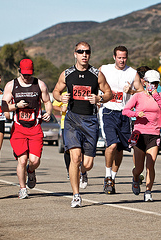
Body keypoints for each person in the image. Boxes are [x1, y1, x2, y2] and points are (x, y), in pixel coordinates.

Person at [52, 41, 113, 207]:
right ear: (75, 54)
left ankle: (83, 173)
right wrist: (60, 98)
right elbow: (56, 91)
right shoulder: (67, 74)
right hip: (72, 120)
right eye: (81, 52)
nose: (84, 55)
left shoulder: (96, 74)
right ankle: (76, 195)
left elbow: (109, 93)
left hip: (90, 121)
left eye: (87, 52)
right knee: (75, 157)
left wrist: (99, 98)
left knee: (87, 163)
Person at [2, 58, 53, 199]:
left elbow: (47, 102)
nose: (26, 77)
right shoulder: (11, 85)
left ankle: (31, 171)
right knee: (22, 160)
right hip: (18, 128)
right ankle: (23, 189)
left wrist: (48, 113)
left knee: (34, 161)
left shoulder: (39, 85)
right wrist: (17, 106)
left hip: (35, 127)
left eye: (29, 74)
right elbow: (4, 107)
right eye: (24, 74)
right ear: (19, 71)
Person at [99, 45, 143, 194]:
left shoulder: (132, 73)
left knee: (120, 148)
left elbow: (141, 92)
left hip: (125, 114)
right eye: (119, 57)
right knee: (112, 145)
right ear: (114, 57)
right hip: (109, 111)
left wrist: (131, 91)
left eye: (124, 57)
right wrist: (98, 97)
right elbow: (94, 83)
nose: (122, 60)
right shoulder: (105, 69)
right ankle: (107, 177)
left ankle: (113, 178)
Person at [123, 70, 161, 202]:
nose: (153, 86)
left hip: (154, 134)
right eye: (150, 83)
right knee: (139, 168)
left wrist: (157, 96)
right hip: (139, 133)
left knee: (150, 164)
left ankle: (148, 191)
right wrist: (136, 114)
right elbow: (125, 111)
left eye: (155, 83)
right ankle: (136, 178)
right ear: (145, 82)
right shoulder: (138, 96)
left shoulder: (160, 95)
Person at [52, 91, 70, 178]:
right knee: (67, 148)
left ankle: (81, 170)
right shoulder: (64, 94)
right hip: (66, 125)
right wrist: (61, 109)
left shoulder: (82, 92)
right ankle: (69, 171)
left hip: (79, 124)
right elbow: (54, 106)